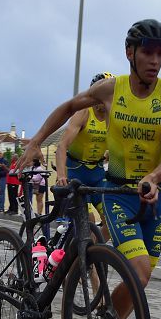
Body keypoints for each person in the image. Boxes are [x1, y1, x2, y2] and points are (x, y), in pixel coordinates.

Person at [18, 19, 161, 319]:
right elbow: (68, 108)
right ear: (130, 53)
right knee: (137, 270)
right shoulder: (111, 89)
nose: (155, 60)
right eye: (148, 52)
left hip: (154, 197)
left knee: (143, 278)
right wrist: (35, 141)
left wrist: (155, 177)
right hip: (117, 193)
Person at [56, 71, 112, 226]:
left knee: (111, 221)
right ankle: (78, 248)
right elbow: (62, 146)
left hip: (97, 175)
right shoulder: (84, 113)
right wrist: (61, 175)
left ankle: (90, 250)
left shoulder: (113, 117)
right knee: (89, 220)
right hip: (76, 174)